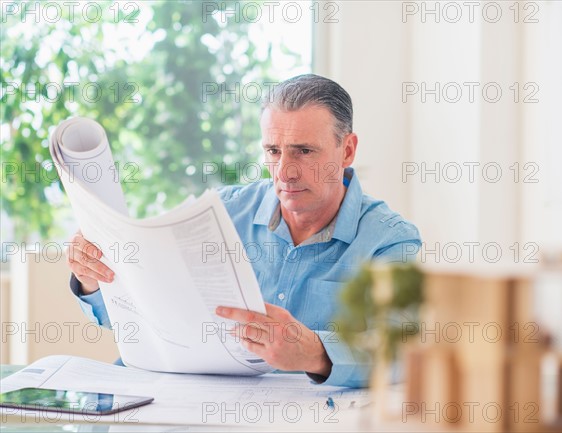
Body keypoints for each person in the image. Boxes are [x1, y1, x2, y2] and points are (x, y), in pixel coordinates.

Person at [67, 74, 422, 388]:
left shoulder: (389, 239)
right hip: (182, 399)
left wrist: (315, 352)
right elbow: (140, 315)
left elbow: (403, 349)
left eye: (304, 151)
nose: (285, 171)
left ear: (347, 150)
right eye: (273, 150)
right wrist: (94, 280)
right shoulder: (220, 213)